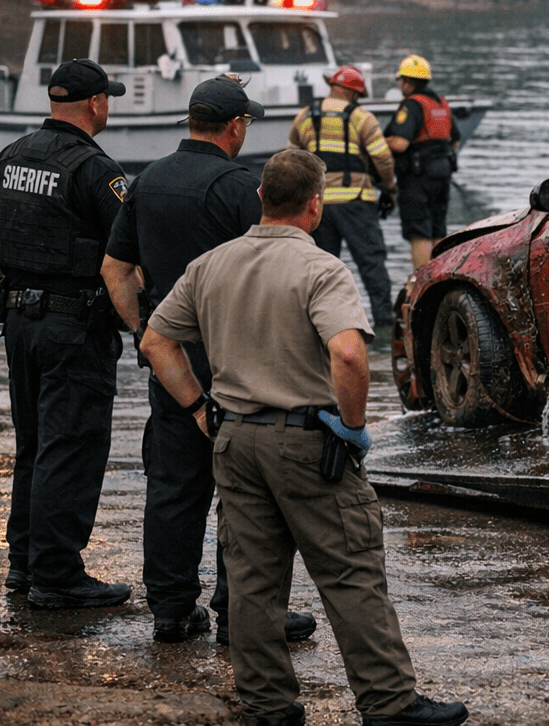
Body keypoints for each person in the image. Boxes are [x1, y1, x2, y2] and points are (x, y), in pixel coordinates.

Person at [140, 149, 467, 726]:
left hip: (235, 440)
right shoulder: (321, 269)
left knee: (251, 581)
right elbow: (348, 353)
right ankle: (388, 702)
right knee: (350, 570)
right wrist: (353, 427)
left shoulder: (211, 264)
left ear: (262, 198)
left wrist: (197, 406)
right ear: (315, 205)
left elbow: (155, 342)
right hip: (305, 443)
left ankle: (267, 705)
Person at [102, 75, 317, 646]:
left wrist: (147, 332)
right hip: (236, 367)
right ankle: (239, 613)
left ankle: (171, 612)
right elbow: (272, 271)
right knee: (246, 493)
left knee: (173, 487)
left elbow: (114, 271)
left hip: (171, 368)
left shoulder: (146, 183)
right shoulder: (238, 188)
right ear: (236, 126)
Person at [0, 58, 131, 610]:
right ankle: (58, 576)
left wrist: (16, 285)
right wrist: (140, 321)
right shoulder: (94, 168)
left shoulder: (11, 155)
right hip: (74, 326)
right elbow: (125, 255)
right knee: (73, 446)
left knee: (34, 444)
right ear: (94, 104)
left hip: (19, 320)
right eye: (108, 98)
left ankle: (25, 563)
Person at [288, 65, 397, 327]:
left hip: (319, 206)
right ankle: (383, 323)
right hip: (356, 202)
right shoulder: (362, 118)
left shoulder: (305, 116)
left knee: (322, 268)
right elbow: (382, 157)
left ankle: (322, 324)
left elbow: (291, 158)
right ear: (353, 93)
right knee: (371, 263)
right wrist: (389, 187)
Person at [383, 55, 458, 270]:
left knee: (419, 232)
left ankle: (420, 284)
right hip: (442, 174)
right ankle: (439, 277)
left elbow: (399, 143)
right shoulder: (441, 103)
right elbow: (455, 139)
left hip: (417, 177)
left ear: (406, 82)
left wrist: (377, 140)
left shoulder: (412, 106)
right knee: (437, 229)